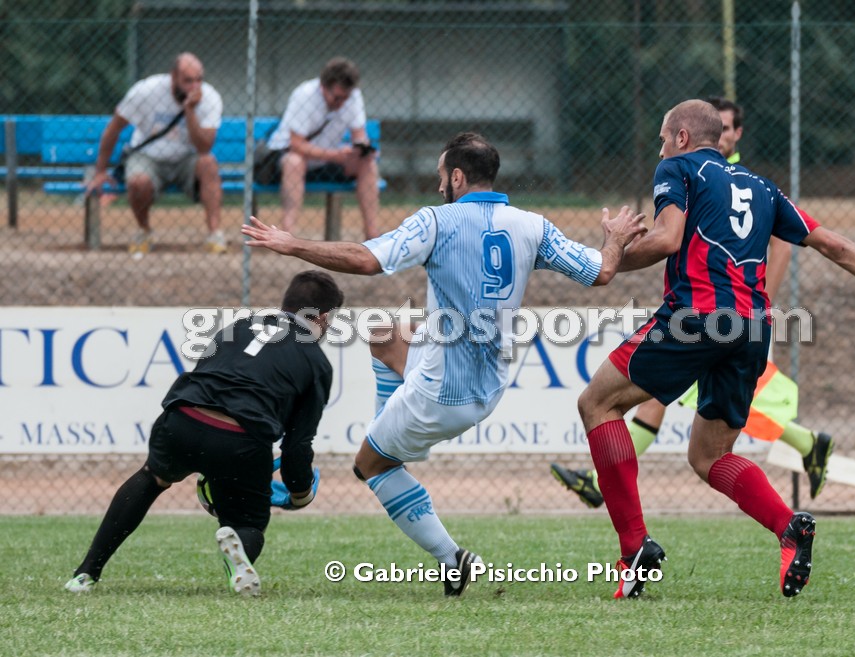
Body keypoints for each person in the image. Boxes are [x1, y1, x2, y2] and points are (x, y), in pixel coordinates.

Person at [242, 132, 646, 596]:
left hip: (441, 394)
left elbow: (367, 259)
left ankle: (452, 559)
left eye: (441, 176)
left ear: (457, 177)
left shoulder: (437, 221)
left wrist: (292, 243)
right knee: (385, 335)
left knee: (370, 465)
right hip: (489, 384)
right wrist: (615, 239)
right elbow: (602, 271)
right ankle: (396, 433)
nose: (438, 186)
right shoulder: (532, 225)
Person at [577, 99, 855, 600]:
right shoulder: (763, 187)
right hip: (751, 328)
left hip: (697, 318)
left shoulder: (677, 168)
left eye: (663, 138)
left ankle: (634, 549)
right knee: (710, 456)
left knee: (597, 403)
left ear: (682, 137)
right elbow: (833, 244)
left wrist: (607, 256)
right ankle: (788, 528)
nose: (660, 148)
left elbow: (666, 239)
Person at [552, 96, 834, 507]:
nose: (725, 135)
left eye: (730, 127)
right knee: (703, 442)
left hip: (711, 315)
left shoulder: (707, 173)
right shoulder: (737, 179)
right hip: (737, 319)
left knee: (624, 402)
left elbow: (677, 239)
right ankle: (803, 461)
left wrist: (606, 260)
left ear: (733, 134)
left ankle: (605, 489)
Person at [64, 271, 342, 596]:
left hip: (182, 418)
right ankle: (238, 552)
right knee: (249, 523)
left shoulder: (238, 326)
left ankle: (86, 573)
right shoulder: (317, 362)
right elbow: (297, 444)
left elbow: (208, 376)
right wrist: (299, 492)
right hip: (240, 440)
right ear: (323, 317)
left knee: (152, 478)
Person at [86, 52, 226, 257]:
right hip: (147, 156)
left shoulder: (210, 97)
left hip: (186, 159)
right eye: (188, 81)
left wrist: (189, 111)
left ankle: (215, 235)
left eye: (198, 80)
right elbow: (113, 128)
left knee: (209, 163)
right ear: (173, 77)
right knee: (138, 182)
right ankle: (144, 231)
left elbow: (204, 147)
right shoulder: (146, 91)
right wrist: (100, 171)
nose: (194, 87)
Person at [264, 57, 380, 238]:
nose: (341, 103)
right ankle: (287, 234)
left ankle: (372, 235)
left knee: (368, 165)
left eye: (346, 98)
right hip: (288, 160)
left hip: (327, 160)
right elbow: (296, 144)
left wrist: (362, 150)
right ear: (323, 87)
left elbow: (359, 135)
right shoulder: (304, 95)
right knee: (294, 162)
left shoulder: (354, 96)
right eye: (337, 97)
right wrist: (335, 155)